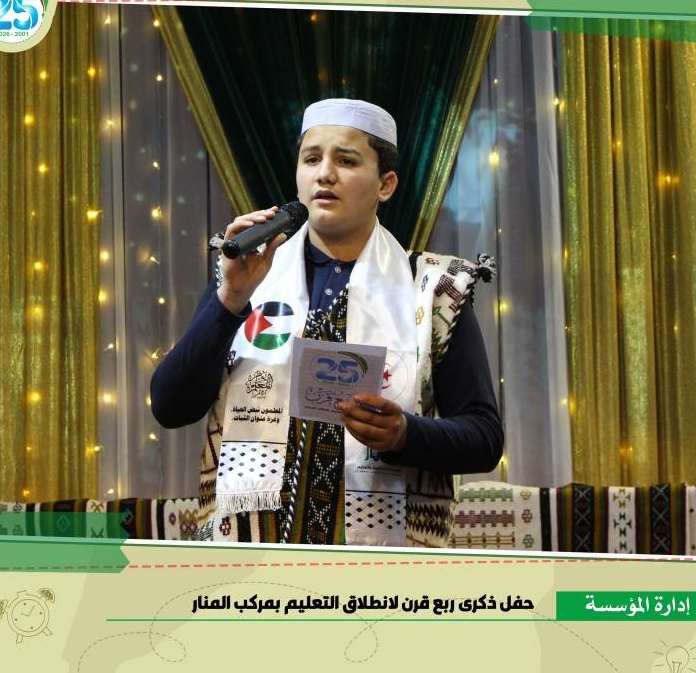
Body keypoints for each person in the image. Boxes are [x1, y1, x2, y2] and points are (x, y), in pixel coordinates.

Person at [150, 98, 501, 547]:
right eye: (311, 159)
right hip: (250, 561)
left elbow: (484, 438)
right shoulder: (249, 277)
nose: (325, 174)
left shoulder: (434, 290)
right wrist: (231, 299)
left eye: (346, 161)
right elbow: (171, 407)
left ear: (386, 184)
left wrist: (405, 434)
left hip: (382, 570)